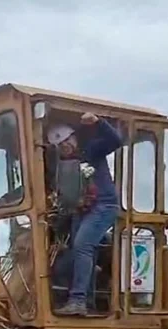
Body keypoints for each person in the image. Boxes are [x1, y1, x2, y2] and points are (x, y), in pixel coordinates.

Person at [47, 112, 124, 316]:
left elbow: (116, 140)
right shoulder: (61, 167)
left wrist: (99, 123)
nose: (66, 146)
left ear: (74, 137)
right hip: (81, 210)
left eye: (67, 141)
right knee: (76, 251)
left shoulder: (91, 150)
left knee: (83, 245)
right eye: (61, 145)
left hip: (104, 206)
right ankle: (88, 301)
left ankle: (78, 300)